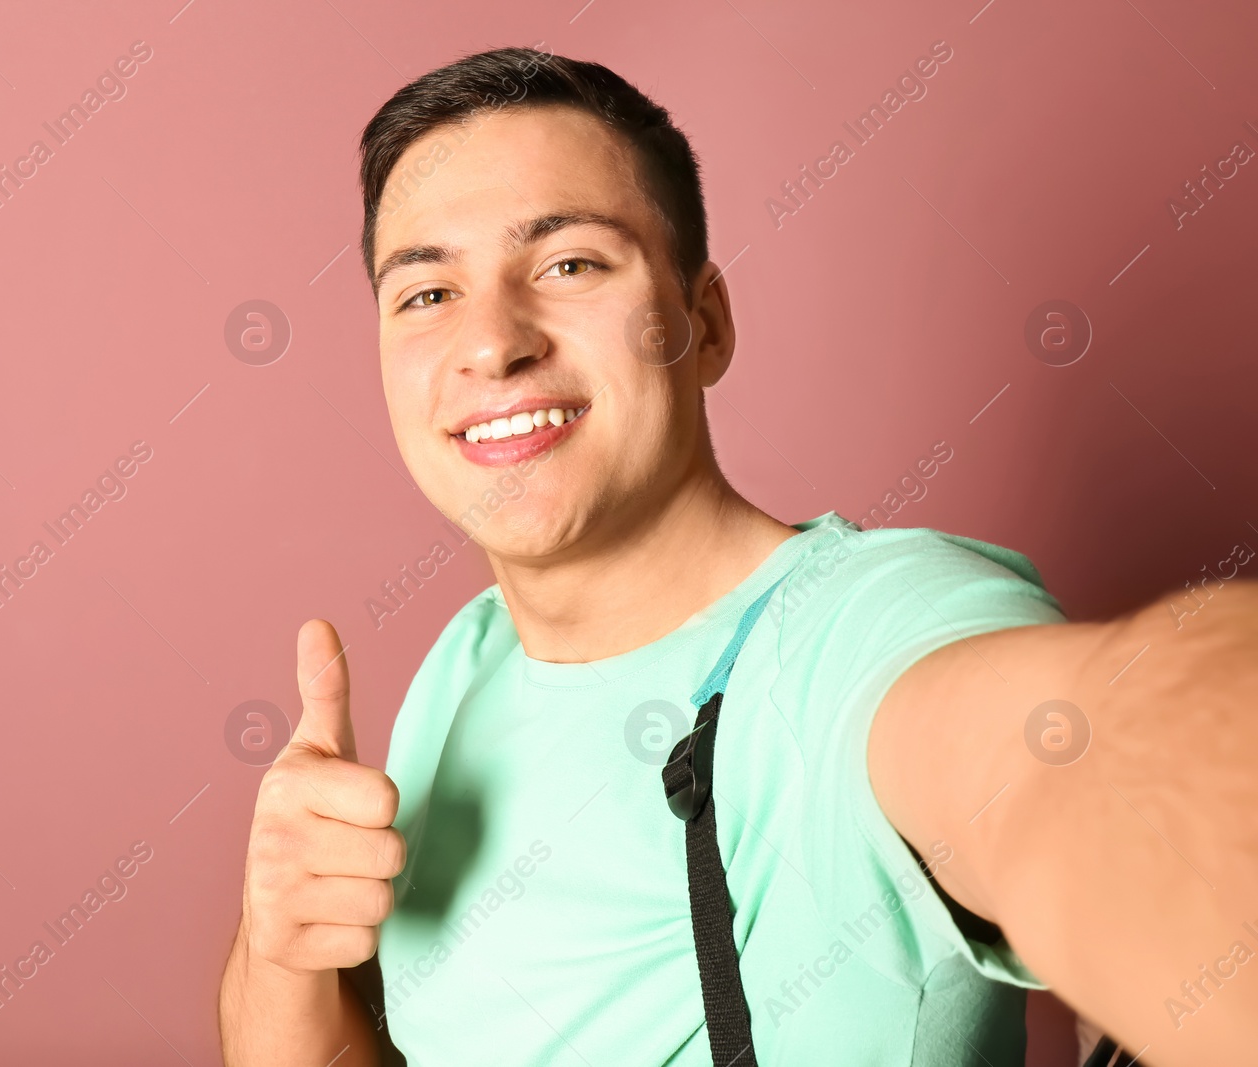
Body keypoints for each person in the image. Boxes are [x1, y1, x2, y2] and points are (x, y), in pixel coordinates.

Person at [218, 46, 1258, 1066]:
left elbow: (1104, 746)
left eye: (569, 262)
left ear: (701, 323)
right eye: (427, 293)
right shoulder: (466, 659)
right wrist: (279, 950)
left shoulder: (860, 635)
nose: (491, 341)